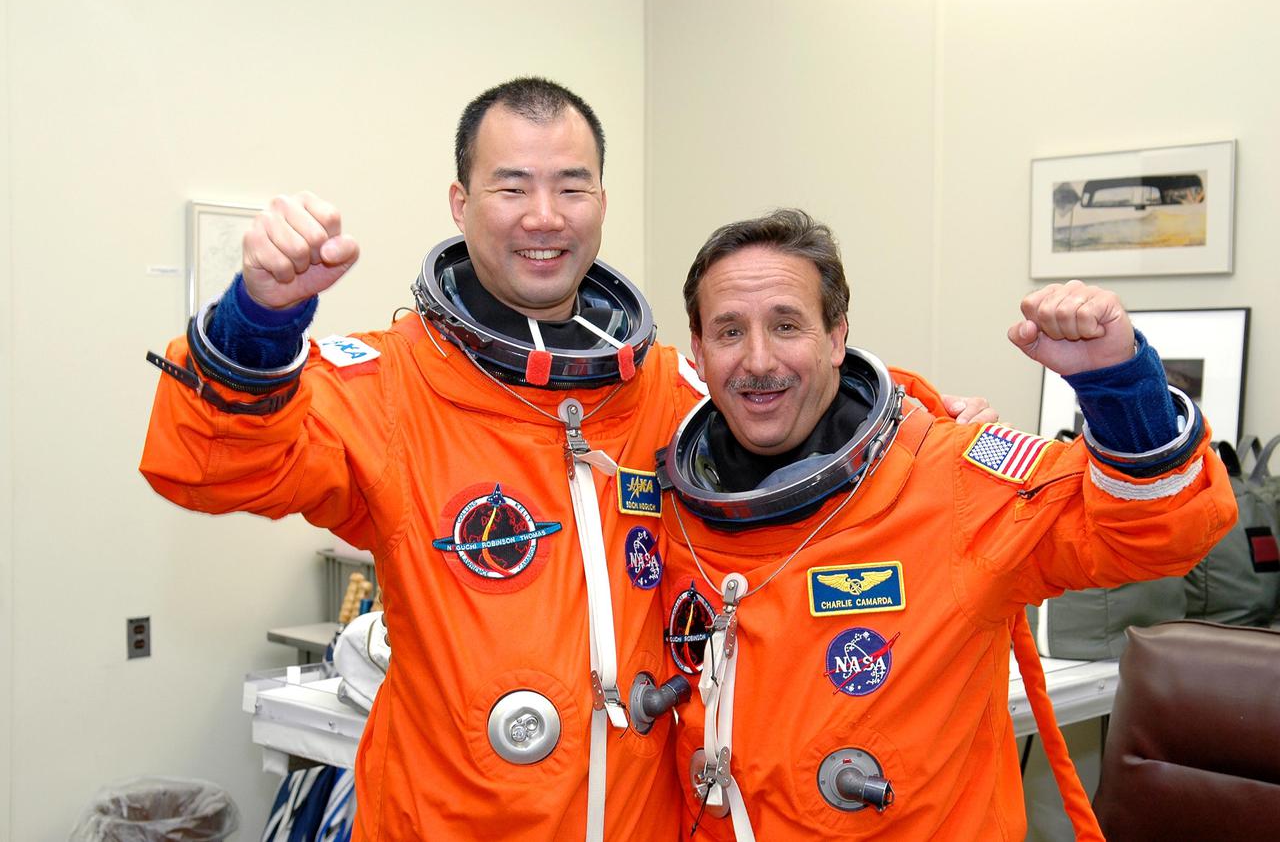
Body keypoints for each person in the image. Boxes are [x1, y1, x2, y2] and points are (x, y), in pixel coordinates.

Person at [139, 78, 994, 841]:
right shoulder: (393, 389)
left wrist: (921, 416)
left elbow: (792, 396)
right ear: (459, 201)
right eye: (511, 185)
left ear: (601, 203)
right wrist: (260, 316)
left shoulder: (669, 388)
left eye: (570, 185)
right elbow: (218, 464)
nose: (543, 215)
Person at [654, 209, 1237, 841]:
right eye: (729, 331)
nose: (758, 360)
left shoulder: (952, 477)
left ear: (836, 336)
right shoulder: (669, 497)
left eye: (787, 325)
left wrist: (1117, 383)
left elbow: (1159, 528)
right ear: (698, 349)